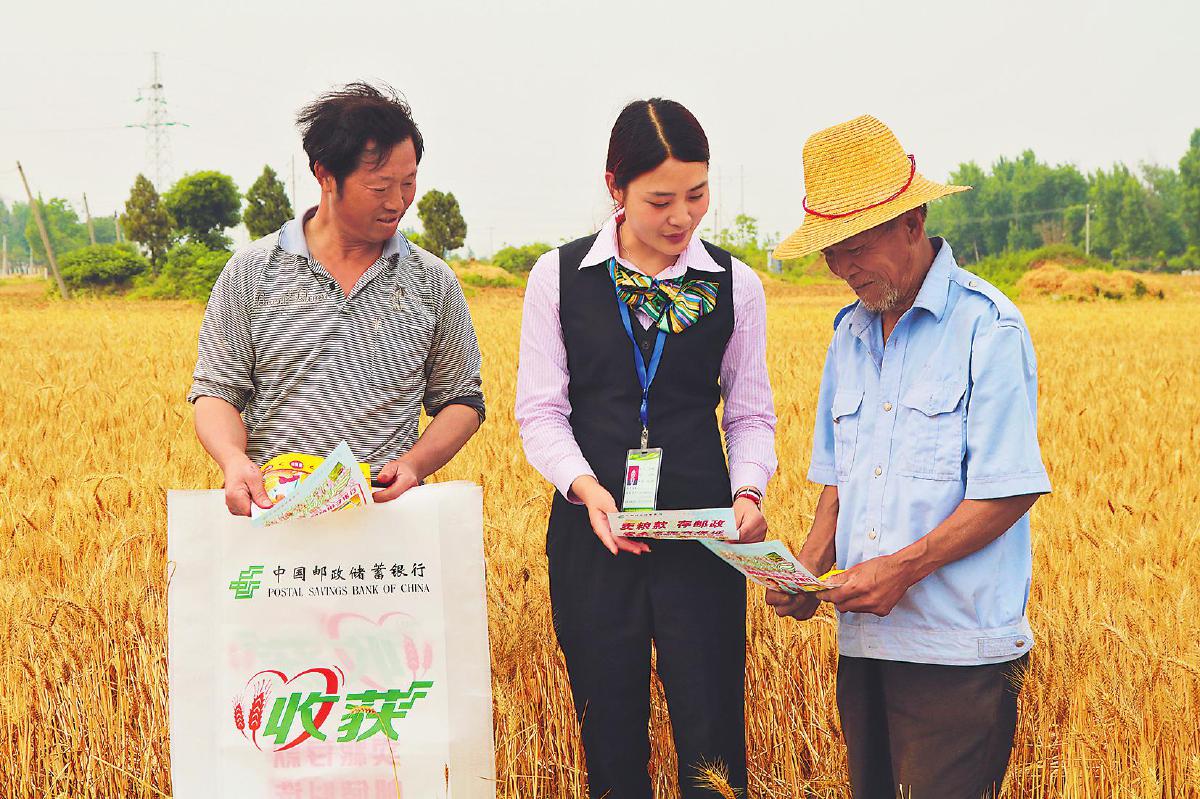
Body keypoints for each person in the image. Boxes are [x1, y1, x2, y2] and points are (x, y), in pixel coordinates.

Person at [766, 115, 1052, 798]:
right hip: (864, 647)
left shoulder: (988, 328)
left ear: (913, 222)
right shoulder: (848, 336)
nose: (844, 269)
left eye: (856, 247)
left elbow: (1008, 490)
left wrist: (903, 568)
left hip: (956, 653)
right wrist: (806, 567)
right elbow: (838, 482)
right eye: (831, 254)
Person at [515, 98, 777, 798]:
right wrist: (587, 489)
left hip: (703, 536)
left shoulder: (736, 285)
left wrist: (748, 491)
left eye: (698, 194)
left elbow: (750, 413)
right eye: (661, 200)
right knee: (609, 735)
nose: (682, 217)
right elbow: (540, 412)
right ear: (615, 187)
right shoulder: (558, 277)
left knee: (713, 738)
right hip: (593, 535)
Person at [188, 83, 485, 515]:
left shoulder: (433, 281)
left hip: (387, 516)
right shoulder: (251, 272)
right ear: (325, 175)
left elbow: (462, 400)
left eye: (408, 183)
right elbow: (217, 392)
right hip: (274, 513)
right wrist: (234, 461)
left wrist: (414, 464)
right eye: (379, 187)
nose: (398, 202)